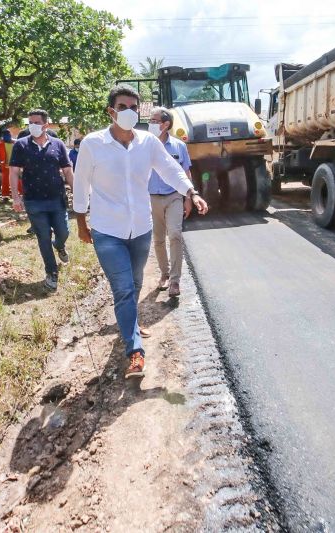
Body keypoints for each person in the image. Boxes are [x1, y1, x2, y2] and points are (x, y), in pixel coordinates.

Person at [73, 85, 209, 379]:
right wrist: (81, 222)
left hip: (141, 229)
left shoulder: (148, 142)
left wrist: (191, 192)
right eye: (123, 107)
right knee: (123, 289)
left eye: (134, 107)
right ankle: (134, 351)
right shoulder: (93, 144)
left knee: (134, 284)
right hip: (107, 230)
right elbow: (81, 184)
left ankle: (130, 324)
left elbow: (170, 169)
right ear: (111, 111)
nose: (130, 112)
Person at [9, 109, 74, 290]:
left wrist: (77, 193)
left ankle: (59, 245)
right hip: (34, 201)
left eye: (36, 122)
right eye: (30, 122)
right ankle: (51, 273)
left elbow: (67, 171)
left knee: (63, 231)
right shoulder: (21, 145)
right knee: (43, 237)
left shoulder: (58, 144)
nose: (32, 125)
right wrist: (16, 197)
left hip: (57, 199)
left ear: (46, 125)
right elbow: (13, 172)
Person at [147, 107, 193, 297]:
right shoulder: (144, 145)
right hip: (151, 198)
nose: (150, 123)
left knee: (174, 234)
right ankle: (164, 274)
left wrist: (188, 198)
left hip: (174, 196)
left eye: (154, 120)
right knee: (158, 239)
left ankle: (175, 280)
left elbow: (186, 172)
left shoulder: (179, 146)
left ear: (166, 124)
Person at [0, 130, 19, 198]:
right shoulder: (1, 144)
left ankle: (20, 194)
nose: (7, 136)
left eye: (8, 134)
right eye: (5, 135)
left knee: (18, 180)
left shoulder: (15, 143)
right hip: (5, 166)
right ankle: (5, 195)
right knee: (5, 181)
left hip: (15, 166)